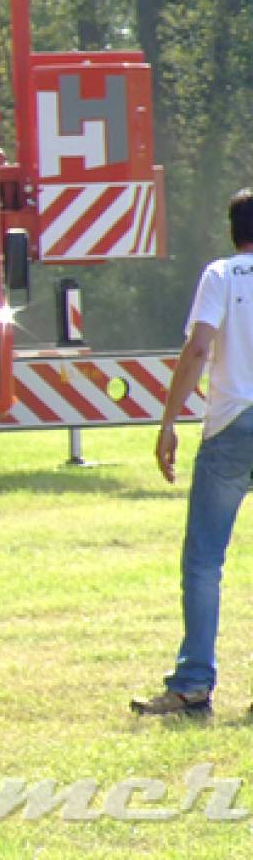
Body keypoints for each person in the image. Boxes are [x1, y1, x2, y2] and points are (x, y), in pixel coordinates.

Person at [131, 188, 253, 717]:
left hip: (230, 426)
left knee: (205, 562)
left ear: (234, 231)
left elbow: (199, 348)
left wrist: (168, 421)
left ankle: (194, 684)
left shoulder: (222, 276)